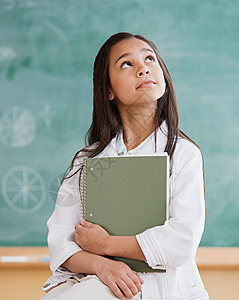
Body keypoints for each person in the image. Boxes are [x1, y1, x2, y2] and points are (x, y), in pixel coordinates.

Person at [41, 32, 209, 300]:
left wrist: (106, 244)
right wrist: (103, 265)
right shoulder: (87, 161)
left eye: (150, 59)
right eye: (126, 64)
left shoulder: (184, 154)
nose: (143, 68)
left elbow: (181, 241)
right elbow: (62, 242)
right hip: (102, 288)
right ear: (108, 89)